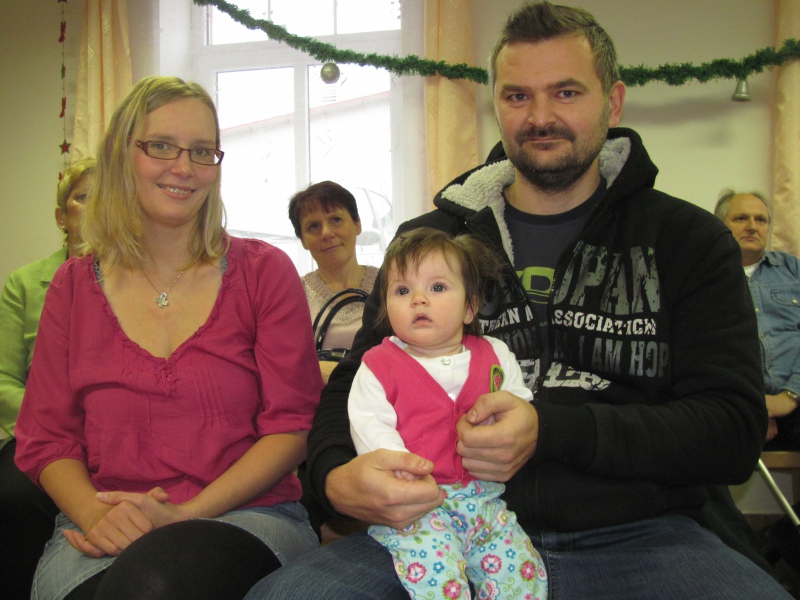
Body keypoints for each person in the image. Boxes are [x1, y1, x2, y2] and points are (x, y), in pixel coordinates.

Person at [244, 2, 793, 599]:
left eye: (566, 92)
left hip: (643, 534)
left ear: (612, 102)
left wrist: (553, 430)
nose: (540, 117)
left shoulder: (688, 241)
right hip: (436, 527)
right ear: (496, 104)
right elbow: (354, 382)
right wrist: (334, 476)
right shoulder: (429, 242)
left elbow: (733, 429)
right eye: (517, 96)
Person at [14, 75, 323, 600]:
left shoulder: (263, 272)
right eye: (161, 146)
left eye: (202, 151)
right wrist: (93, 513)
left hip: (245, 516)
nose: (184, 168)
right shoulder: (72, 286)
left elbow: (292, 427)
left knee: (154, 584)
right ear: (121, 155)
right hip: (105, 519)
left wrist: (183, 514)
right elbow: (46, 437)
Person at [350, 227, 547, 599]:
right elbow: (370, 426)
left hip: (486, 502)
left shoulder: (495, 354)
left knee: (523, 572)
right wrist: (402, 470)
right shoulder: (378, 365)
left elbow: (518, 406)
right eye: (402, 291)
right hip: (418, 509)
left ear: (470, 307)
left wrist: (503, 424)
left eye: (437, 287)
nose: (418, 299)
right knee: (441, 584)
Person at [0, 157, 94, 600]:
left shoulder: (139, 279)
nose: (95, 208)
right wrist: (47, 421)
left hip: (112, 436)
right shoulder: (24, 283)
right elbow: (3, 378)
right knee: (14, 499)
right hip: (37, 433)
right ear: (61, 216)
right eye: (83, 198)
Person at [715, 190, 800, 450]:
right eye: (741, 218)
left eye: (761, 220)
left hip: (795, 399)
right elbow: (703, 349)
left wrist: (790, 396)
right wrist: (757, 403)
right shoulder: (705, 277)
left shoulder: (793, 270)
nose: (752, 226)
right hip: (733, 404)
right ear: (719, 225)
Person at [288, 181, 379, 384]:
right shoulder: (293, 293)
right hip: (320, 399)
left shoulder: (390, 283)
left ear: (357, 224)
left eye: (336, 220)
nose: (326, 233)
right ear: (303, 240)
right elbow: (283, 361)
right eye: (313, 226)